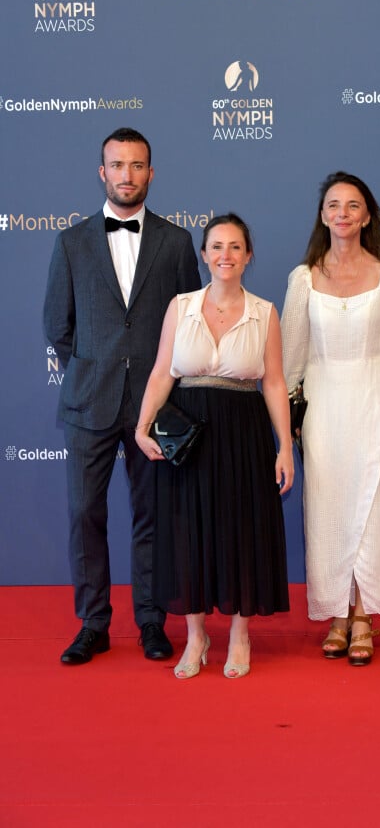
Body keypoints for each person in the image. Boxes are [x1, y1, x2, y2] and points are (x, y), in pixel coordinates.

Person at [44, 127, 200, 665]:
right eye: (117, 165)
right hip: (89, 402)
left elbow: (186, 324)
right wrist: (94, 371)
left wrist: (158, 385)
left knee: (151, 514)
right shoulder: (71, 241)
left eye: (137, 166)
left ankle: (152, 621)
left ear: (151, 174)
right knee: (85, 512)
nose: (127, 175)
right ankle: (93, 623)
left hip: (153, 406)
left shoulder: (177, 242)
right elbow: (57, 326)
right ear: (102, 172)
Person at [135, 213, 293, 680]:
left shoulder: (265, 312)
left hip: (244, 434)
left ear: (248, 256)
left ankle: (240, 636)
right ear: (204, 255)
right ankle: (196, 636)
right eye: (217, 246)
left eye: (236, 247)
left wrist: (284, 447)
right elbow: (164, 372)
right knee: (187, 531)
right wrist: (143, 427)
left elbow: (275, 382)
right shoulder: (179, 306)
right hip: (188, 436)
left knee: (242, 529)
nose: (226, 255)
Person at [281, 172, 380, 666]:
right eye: (333, 204)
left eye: (353, 205)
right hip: (322, 408)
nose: (342, 212)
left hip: (375, 402)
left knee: (375, 508)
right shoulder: (303, 278)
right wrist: (288, 420)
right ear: (323, 215)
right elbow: (291, 358)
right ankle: (336, 614)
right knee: (327, 509)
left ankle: (363, 616)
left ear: (366, 216)